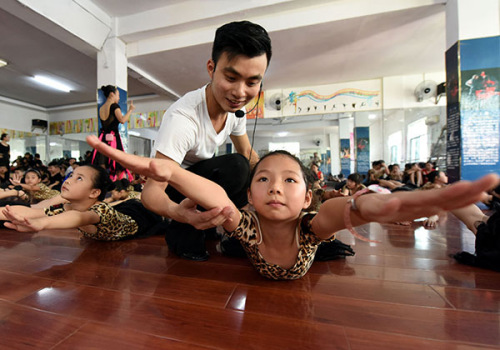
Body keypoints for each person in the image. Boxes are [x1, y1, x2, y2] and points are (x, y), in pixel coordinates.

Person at [84, 136, 498, 279]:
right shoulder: (244, 221)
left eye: (289, 180)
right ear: (251, 194)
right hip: (244, 244)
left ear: (305, 196)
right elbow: (216, 196)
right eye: (262, 178)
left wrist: (415, 200)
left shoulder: (313, 224)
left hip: (309, 249)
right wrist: (165, 169)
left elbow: (361, 210)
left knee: (337, 242)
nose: (275, 187)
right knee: (225, 234)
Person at [141, 20, 272, 261]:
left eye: (252, 82)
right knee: (235, 166)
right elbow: (150, 193)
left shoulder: (235, 110)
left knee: (247, 165)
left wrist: (277, 184)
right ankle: (181, 231)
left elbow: (249, 153)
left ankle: (228, 228)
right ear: (211, 68)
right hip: (176, 192)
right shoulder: (183, 118)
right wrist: (179, 214)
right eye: (231, 78)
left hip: (203, 186)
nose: (240, 93)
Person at [1, 165, 166, 241]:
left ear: (94, 192)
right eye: (72, 175)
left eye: (79, 178)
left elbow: (79, 218)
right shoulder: (67, 206)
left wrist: (41, 224)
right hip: (123, 209)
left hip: (143, 214)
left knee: (153, 201)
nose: (69, 180)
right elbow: (32, 211)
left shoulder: (98, 210)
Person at [92, 85, 135, 181]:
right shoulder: (115, 106)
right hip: (114, 139)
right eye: (118, 95)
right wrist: (130, 110)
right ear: (112, 94)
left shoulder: (101, 108)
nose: (119, 98)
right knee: (118, 165)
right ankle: (118, 186)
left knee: (103, 163)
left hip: (103, 139)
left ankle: (105, 184)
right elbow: (122, 120)